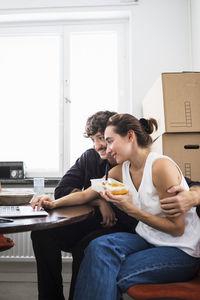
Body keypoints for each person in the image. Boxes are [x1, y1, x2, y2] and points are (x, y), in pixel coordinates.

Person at [31, 111, 200, 300]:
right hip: (149, 239)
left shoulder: (160, 167)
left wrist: (132, 210)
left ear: (130, 136)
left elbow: (177, 229)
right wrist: (52, 203)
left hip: (179, 249)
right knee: (97, 247)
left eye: (108, 140)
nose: (106, 149)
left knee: (103, 272)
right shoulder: (119, 170)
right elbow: (87, 193)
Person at [30, 111, 138, 300]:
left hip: (122, 228)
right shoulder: (89, 158)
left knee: (86, 247)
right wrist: (98, 200)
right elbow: (62, 190)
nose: (97, 146)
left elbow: (190, 184)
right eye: (92, 140)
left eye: (101, 138)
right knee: (42, 232)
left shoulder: (132, 162)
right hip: (90, 222)